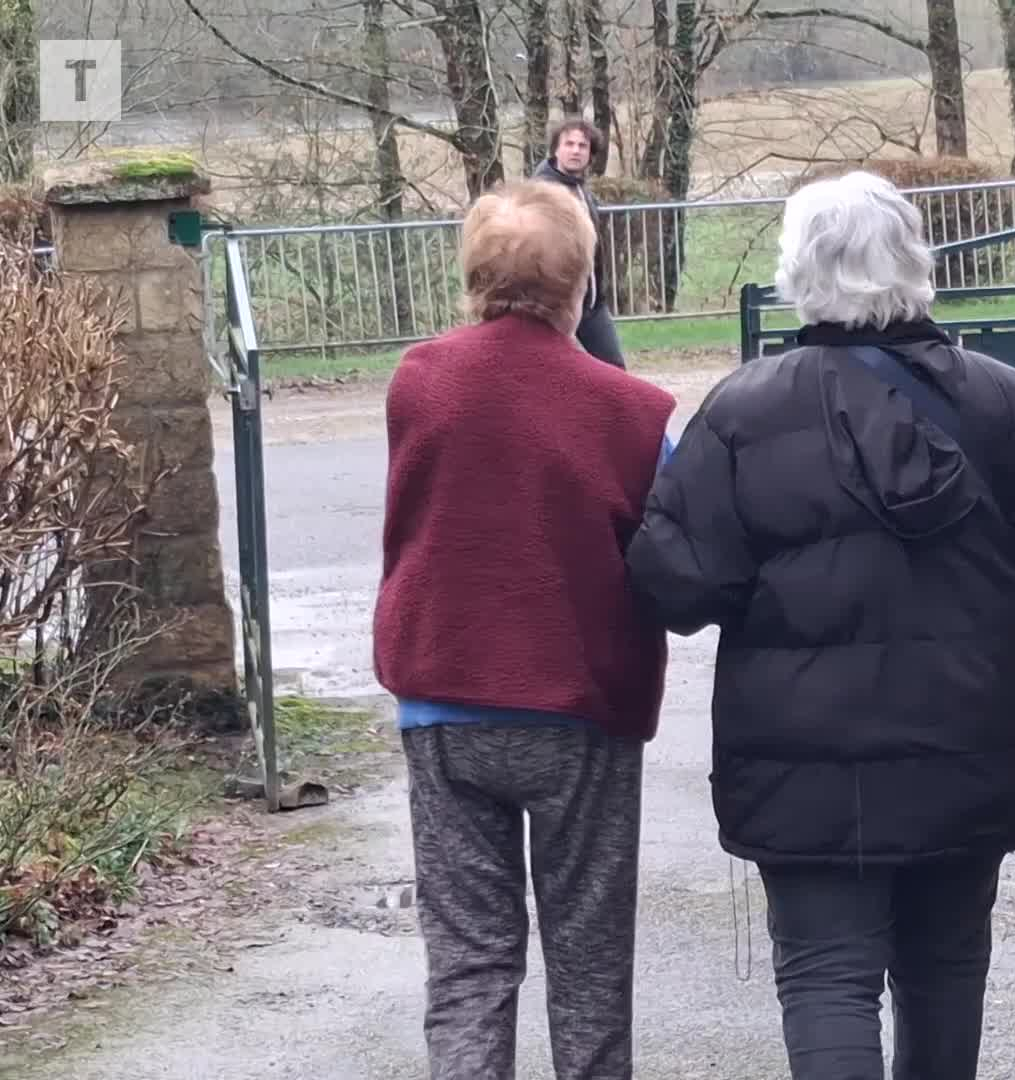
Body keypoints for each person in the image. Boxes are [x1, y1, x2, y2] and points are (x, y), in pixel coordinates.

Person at [624, 170, 1015, 1080]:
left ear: (798, 272)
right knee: (946, 968)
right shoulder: (1008, 404)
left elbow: (676, 585)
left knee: (826, 977)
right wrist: (983, 635)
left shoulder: (742, 413)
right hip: (967, 742)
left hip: (800, 764)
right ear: (914, 262)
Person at [371, 178, 677, 1080]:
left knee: (468, 960)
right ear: (580, 284)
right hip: (579, 703)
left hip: (444, 696)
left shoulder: (418, 381)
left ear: (471, 276)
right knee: (587, 964)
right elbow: (671, 549)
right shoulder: (634, 410)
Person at [533, 117, 625, 368]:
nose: (575, 150)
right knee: (558, 377)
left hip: (592, 304)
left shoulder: (581, 190)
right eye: (569, 144)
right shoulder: (542, 193)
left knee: (614, 371)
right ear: (556, 149)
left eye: (582, 145)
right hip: (555, 307)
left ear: (591, 154)